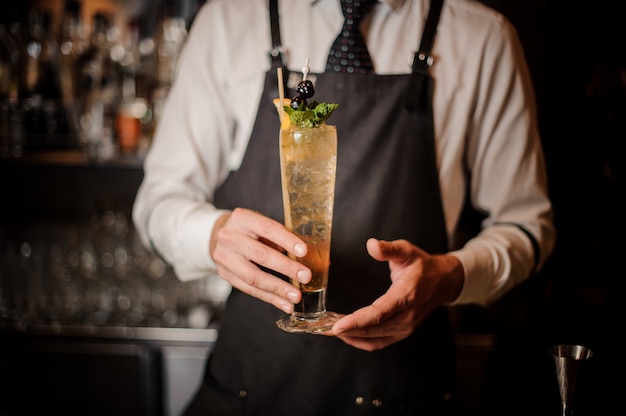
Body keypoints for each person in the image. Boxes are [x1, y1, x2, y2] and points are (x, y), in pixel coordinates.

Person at [132, 0, 556, 414]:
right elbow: (157, 201)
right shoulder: (229, 18)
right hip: (251, 383)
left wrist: (452, 277)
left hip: (405, 386)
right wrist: (211, 235)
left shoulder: (482, 35)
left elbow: (527, 228)